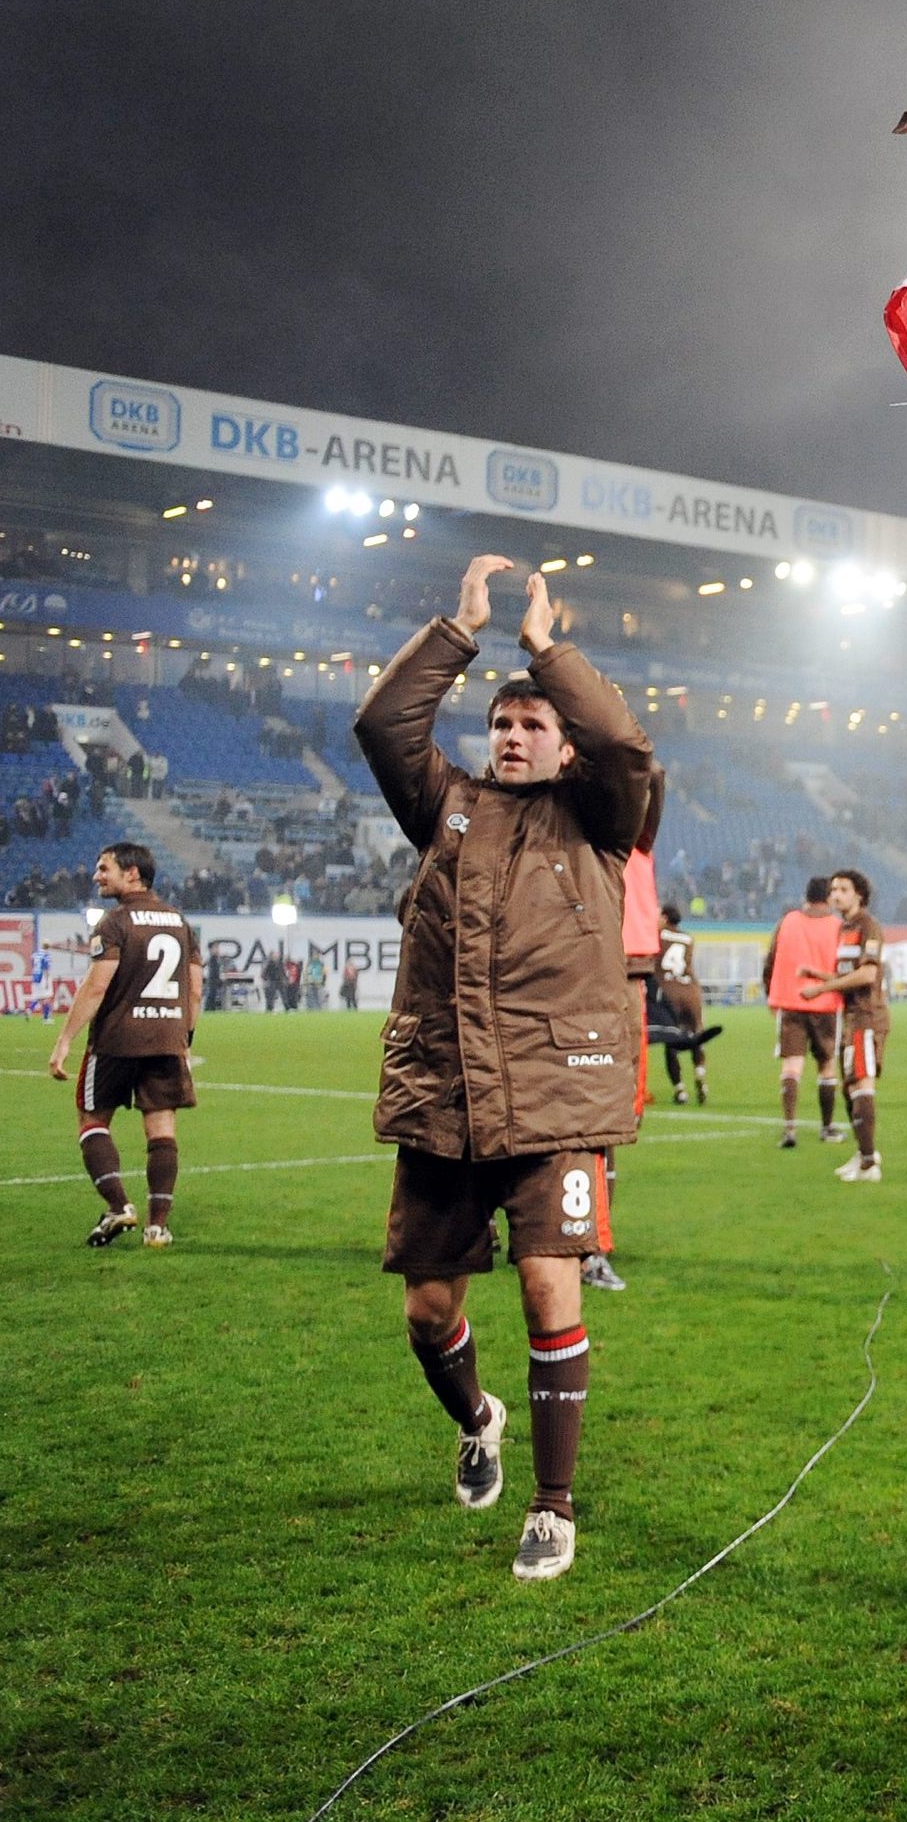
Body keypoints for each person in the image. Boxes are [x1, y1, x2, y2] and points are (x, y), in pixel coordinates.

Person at [355, 554, 653, 1585]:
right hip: (446, 1091)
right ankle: (476, 1417)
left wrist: (544, 648)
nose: (513, 736)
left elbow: (623, 741)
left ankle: (552, 1504)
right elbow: (381, 728)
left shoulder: (604, 819)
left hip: (557, 1091)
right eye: (503, 723)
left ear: (562, 743)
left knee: (545, 1288)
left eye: (534, 723)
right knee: (428, 1310)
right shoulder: (446, 806)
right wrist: (458, 631)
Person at [49, 842, 201, 1248]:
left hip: (117, 1041)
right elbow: (196, 990)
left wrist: (64, 1040)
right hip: (167, 1040)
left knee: (92, 1119)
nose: (97, 876)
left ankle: (119, 1207)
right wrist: (183, 1037)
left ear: (132, 873)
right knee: (162, 1128)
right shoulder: (180, 922)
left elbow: (97, 985)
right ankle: (158, 1227)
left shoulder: (115, 923)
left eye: (104, 869)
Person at [585, 767, 666, 1296]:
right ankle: (584, 1246)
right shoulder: (578, 842)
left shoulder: (634, 844)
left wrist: (627, 757)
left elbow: (654, 774)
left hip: (625, 985)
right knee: (587, 1123)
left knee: (608, 1125)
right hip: (581, 981)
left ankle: (592, 1245)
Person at [798, 868, 888, 1183]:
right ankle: (864, 1153)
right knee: (850, 1089)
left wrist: (821, 989)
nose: (836, 894)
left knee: (862, 1085)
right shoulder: (844, 929)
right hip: (850, 1018)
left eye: (843, 889)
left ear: (859, 895)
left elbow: (867, 975)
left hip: (867, 1016)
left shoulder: (868, 927)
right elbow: (846, 979)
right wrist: (818, 975)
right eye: (833, 889)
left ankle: (869, 1165)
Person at [762, 877, 844, 1148]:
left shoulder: (788, 921)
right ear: (828, 897)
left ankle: (789, 1129)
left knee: (791, 1065)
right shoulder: (837, 926)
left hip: (790, 1001)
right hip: (826, 1003)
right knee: (827, 1065)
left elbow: (771, 959)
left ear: (806, 896)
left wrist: (770, 994)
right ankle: (827, 1127)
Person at [655, 902, 709, 1105]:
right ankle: (700, 1075)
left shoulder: (657, 935)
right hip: (691, 991)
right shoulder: (688, 938)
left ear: (665, 918)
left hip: (670, 993)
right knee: (696, 1036)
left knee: (671, 1040)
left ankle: (680, 1090)